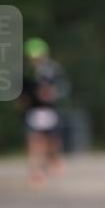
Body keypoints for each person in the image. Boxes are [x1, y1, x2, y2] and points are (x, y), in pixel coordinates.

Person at [19, 38, 71, 188]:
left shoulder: (53, 70)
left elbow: (64, 87)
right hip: (33, 111)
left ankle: (54, 160)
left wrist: (53, 93)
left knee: (52, 141)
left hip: (49, 110)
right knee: (34, 142)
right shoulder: (25, 72)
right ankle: (36, 173)